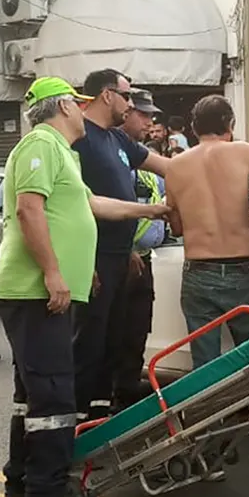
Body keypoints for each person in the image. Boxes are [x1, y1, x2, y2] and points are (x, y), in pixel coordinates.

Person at [0, 77, 170, 497]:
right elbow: (29, 209)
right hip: (34, 291)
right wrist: (54, 273)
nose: (81, 111)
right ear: (64, 107)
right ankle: (47, 491)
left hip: (43, 291)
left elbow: (92, 206)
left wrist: (152, 210)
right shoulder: (41, 144)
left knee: (33, 391)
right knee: (54, 390)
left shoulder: (63, 152)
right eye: (77, 103)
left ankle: (21, 479)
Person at [164, 95, 249, 471]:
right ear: (230, 124)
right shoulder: (242, 152)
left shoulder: (175, 166)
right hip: (241, 272)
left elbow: (177, 226)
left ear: (193, 128)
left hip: (199, 272)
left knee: (206, 368)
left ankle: (210, 454)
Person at [71, 69, 172, 422]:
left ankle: (102, 418)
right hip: (93, 259)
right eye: (126, 96)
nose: (130, 105)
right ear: (107, 94)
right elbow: (76, 205)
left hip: (119, 257)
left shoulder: (117, 139)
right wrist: (84, 262)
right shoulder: (78, 138)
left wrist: (219, 162)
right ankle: (77, 422)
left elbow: (166, 166)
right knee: (89, 344)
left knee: (113, 344)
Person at [117, 89, 166, 413]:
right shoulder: (109, 155)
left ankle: (127, 396)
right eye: (143, 114)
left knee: (136, 334)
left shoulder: (143, 160)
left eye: (152, 116)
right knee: (114, 337)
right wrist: (126, 248)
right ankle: (108, 404)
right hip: (119, 260)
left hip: (145, 261)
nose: (149, 122)